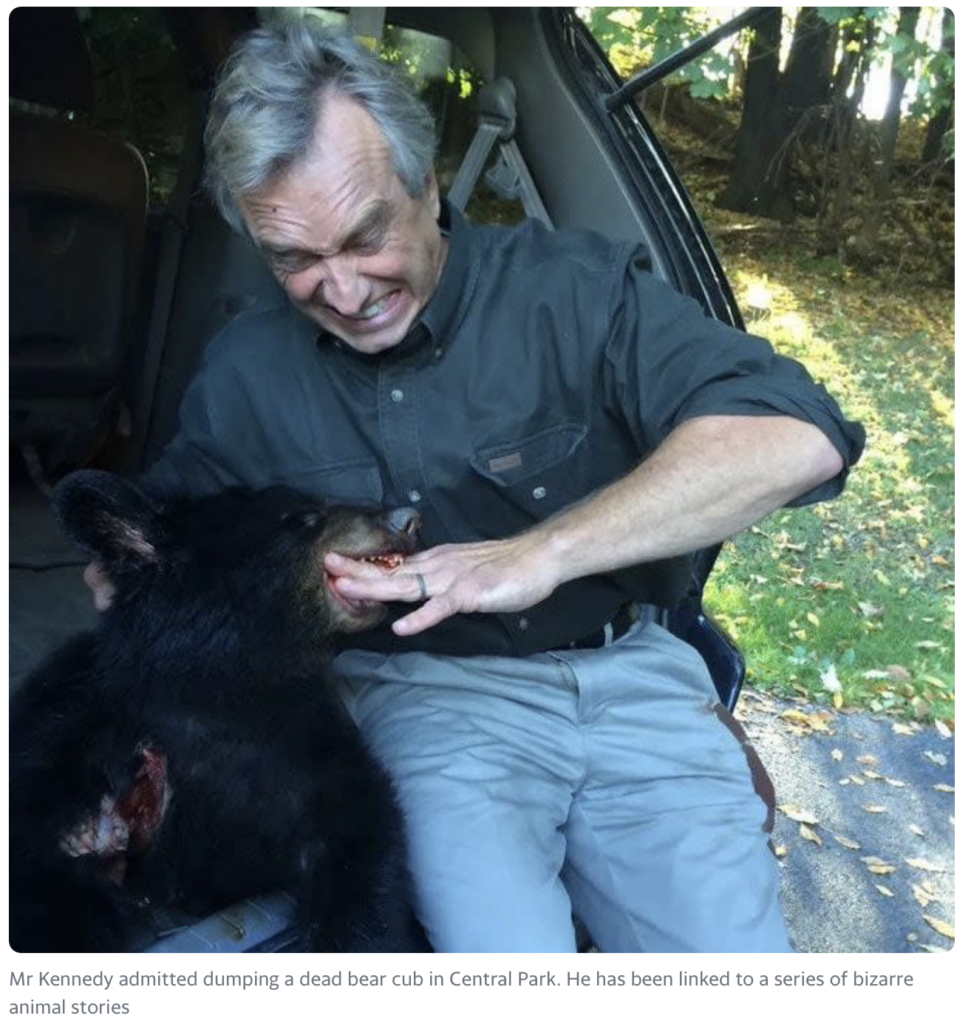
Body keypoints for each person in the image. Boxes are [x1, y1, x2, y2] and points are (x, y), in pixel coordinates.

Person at [87, 22, 864, 953]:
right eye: (295, 259)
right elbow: (158, 547)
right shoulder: (247, 374)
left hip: (636, 679)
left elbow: (799, 437)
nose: (341, 288)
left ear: (426, 183)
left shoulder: (575, 292)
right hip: (431, 702)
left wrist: (543, 552)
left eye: (366, 234)